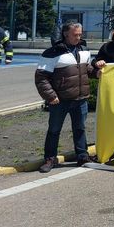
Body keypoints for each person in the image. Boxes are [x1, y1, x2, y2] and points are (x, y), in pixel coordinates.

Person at [35, 22, 94, 173]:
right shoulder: (52, 53)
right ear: (66, 34)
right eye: (76, 35)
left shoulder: (84, 50)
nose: (79, 37)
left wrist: (97, 71)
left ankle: (82, 156)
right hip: (59, 101)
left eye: (80, 34)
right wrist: (50, 96)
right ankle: (50, 159)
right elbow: (41, 77)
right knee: (54, 130)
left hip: (80, 99)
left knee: (80, 128)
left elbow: (87, 69)